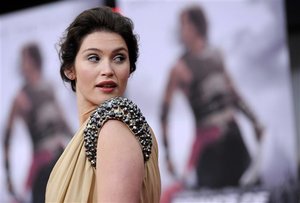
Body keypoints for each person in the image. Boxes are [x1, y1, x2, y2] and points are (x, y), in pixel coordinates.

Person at [45, 6, 161, 203]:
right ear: (70, 69)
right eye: (94, 58)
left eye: (119, 58)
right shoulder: (90, 134)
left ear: (129, 69)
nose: (107, 69)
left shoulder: (114, 127)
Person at [160, 5, 263, 202]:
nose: (181, 30)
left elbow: (234, 95)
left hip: (234, 139)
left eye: (184, 24)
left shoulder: (216, 56)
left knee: (251, 194)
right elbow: (164, 113)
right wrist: (167, 155)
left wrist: (255, 121)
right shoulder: (179, 68)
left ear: (196, 26)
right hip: (208, 149)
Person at [3, 42, 73, 202]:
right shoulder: (21, 97)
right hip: (41, 165)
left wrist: (83, 149)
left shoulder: (49, 90)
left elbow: (64, 124)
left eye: (25, 59)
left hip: (60, 157)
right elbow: (7, 137)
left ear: (35, 60)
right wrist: (8, 177)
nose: (22, 64)